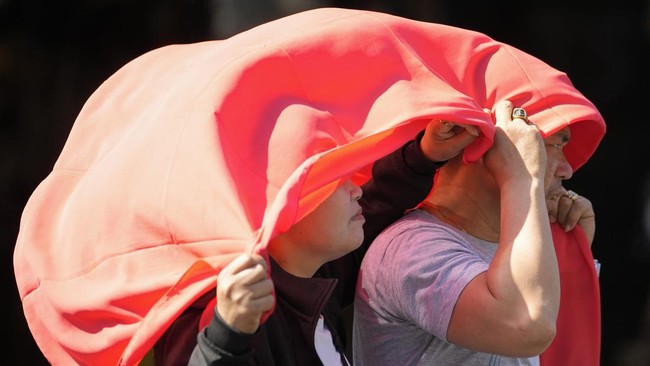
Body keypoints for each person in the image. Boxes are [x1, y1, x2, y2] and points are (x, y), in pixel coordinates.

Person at [152, 119, 479, 365]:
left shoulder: (309, 279)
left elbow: (377, 206)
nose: (357, 189)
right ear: (281, 203)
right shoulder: (222, 312)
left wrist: (425, 154)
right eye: (334, 178)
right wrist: (225, 336)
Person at [353, 100, 598, 365]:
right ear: (492, 144)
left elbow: (557, 345)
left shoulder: (507, 240)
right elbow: (527, 326)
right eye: (555, 144)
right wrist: (523, 179)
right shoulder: (412, 246)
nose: (567, 169)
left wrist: (570, 255)